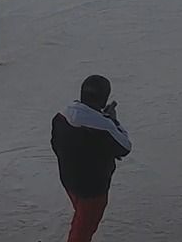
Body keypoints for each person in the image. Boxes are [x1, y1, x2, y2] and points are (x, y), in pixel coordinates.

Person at [51, 75, 132, 242]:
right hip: (93, 188)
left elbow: (55, 144)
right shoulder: (103, 126)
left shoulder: (61, 117)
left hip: (68, 179)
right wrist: (113, 121)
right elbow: (125, 147)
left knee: (81, 216)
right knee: (85, 228)